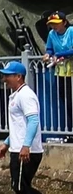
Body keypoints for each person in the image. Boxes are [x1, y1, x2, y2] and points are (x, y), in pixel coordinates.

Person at [0, 59, 62, 194]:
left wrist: (25, 146)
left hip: (25, 151)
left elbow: (33, 120)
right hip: (18, 147)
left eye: (7, 76)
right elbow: (20, 125)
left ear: (19, 76)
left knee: (21, 188)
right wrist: (7, 143)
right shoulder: (17, 95)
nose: (4, 79)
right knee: (22, 187)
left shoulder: (26, 95)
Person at [39, 11, 73, 139]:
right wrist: (48, 54)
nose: (54, 26)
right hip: (61, 72)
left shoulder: (71, 31)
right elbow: (49, 49)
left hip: (72, 70)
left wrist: (59, 54)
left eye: (56, 24)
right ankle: (71, 131)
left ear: (64, 22)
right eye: (52, 24)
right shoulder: (51, 34)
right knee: (67, 102)